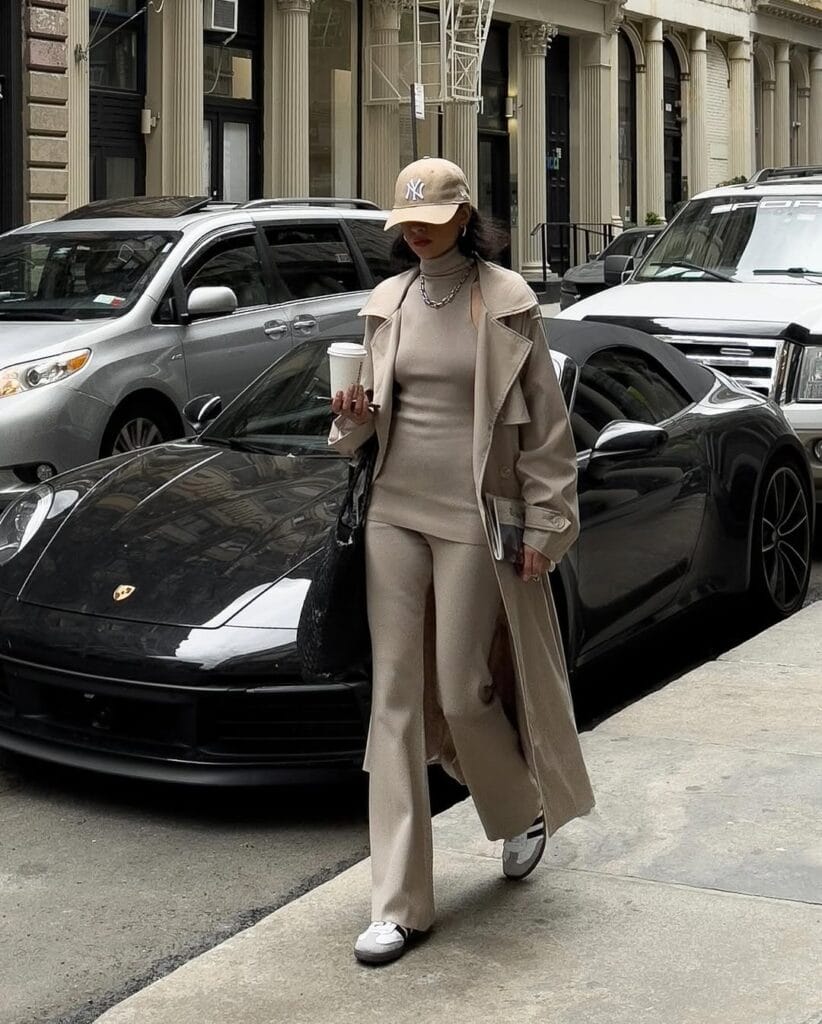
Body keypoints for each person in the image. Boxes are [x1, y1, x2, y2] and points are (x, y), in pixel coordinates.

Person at [329, 157, 594, 966]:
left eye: (431, 221)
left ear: (463, 218)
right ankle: (399, 904)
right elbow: (358, 435)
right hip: (394, 515)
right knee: (396, 699)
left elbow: (547, 429)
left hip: (477, 519)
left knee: (463, 689)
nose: (416, 233)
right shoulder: (389, 301)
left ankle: (520, 811)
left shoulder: (507, 301)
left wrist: (547, 527)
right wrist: (349, 416)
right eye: (405, 222)